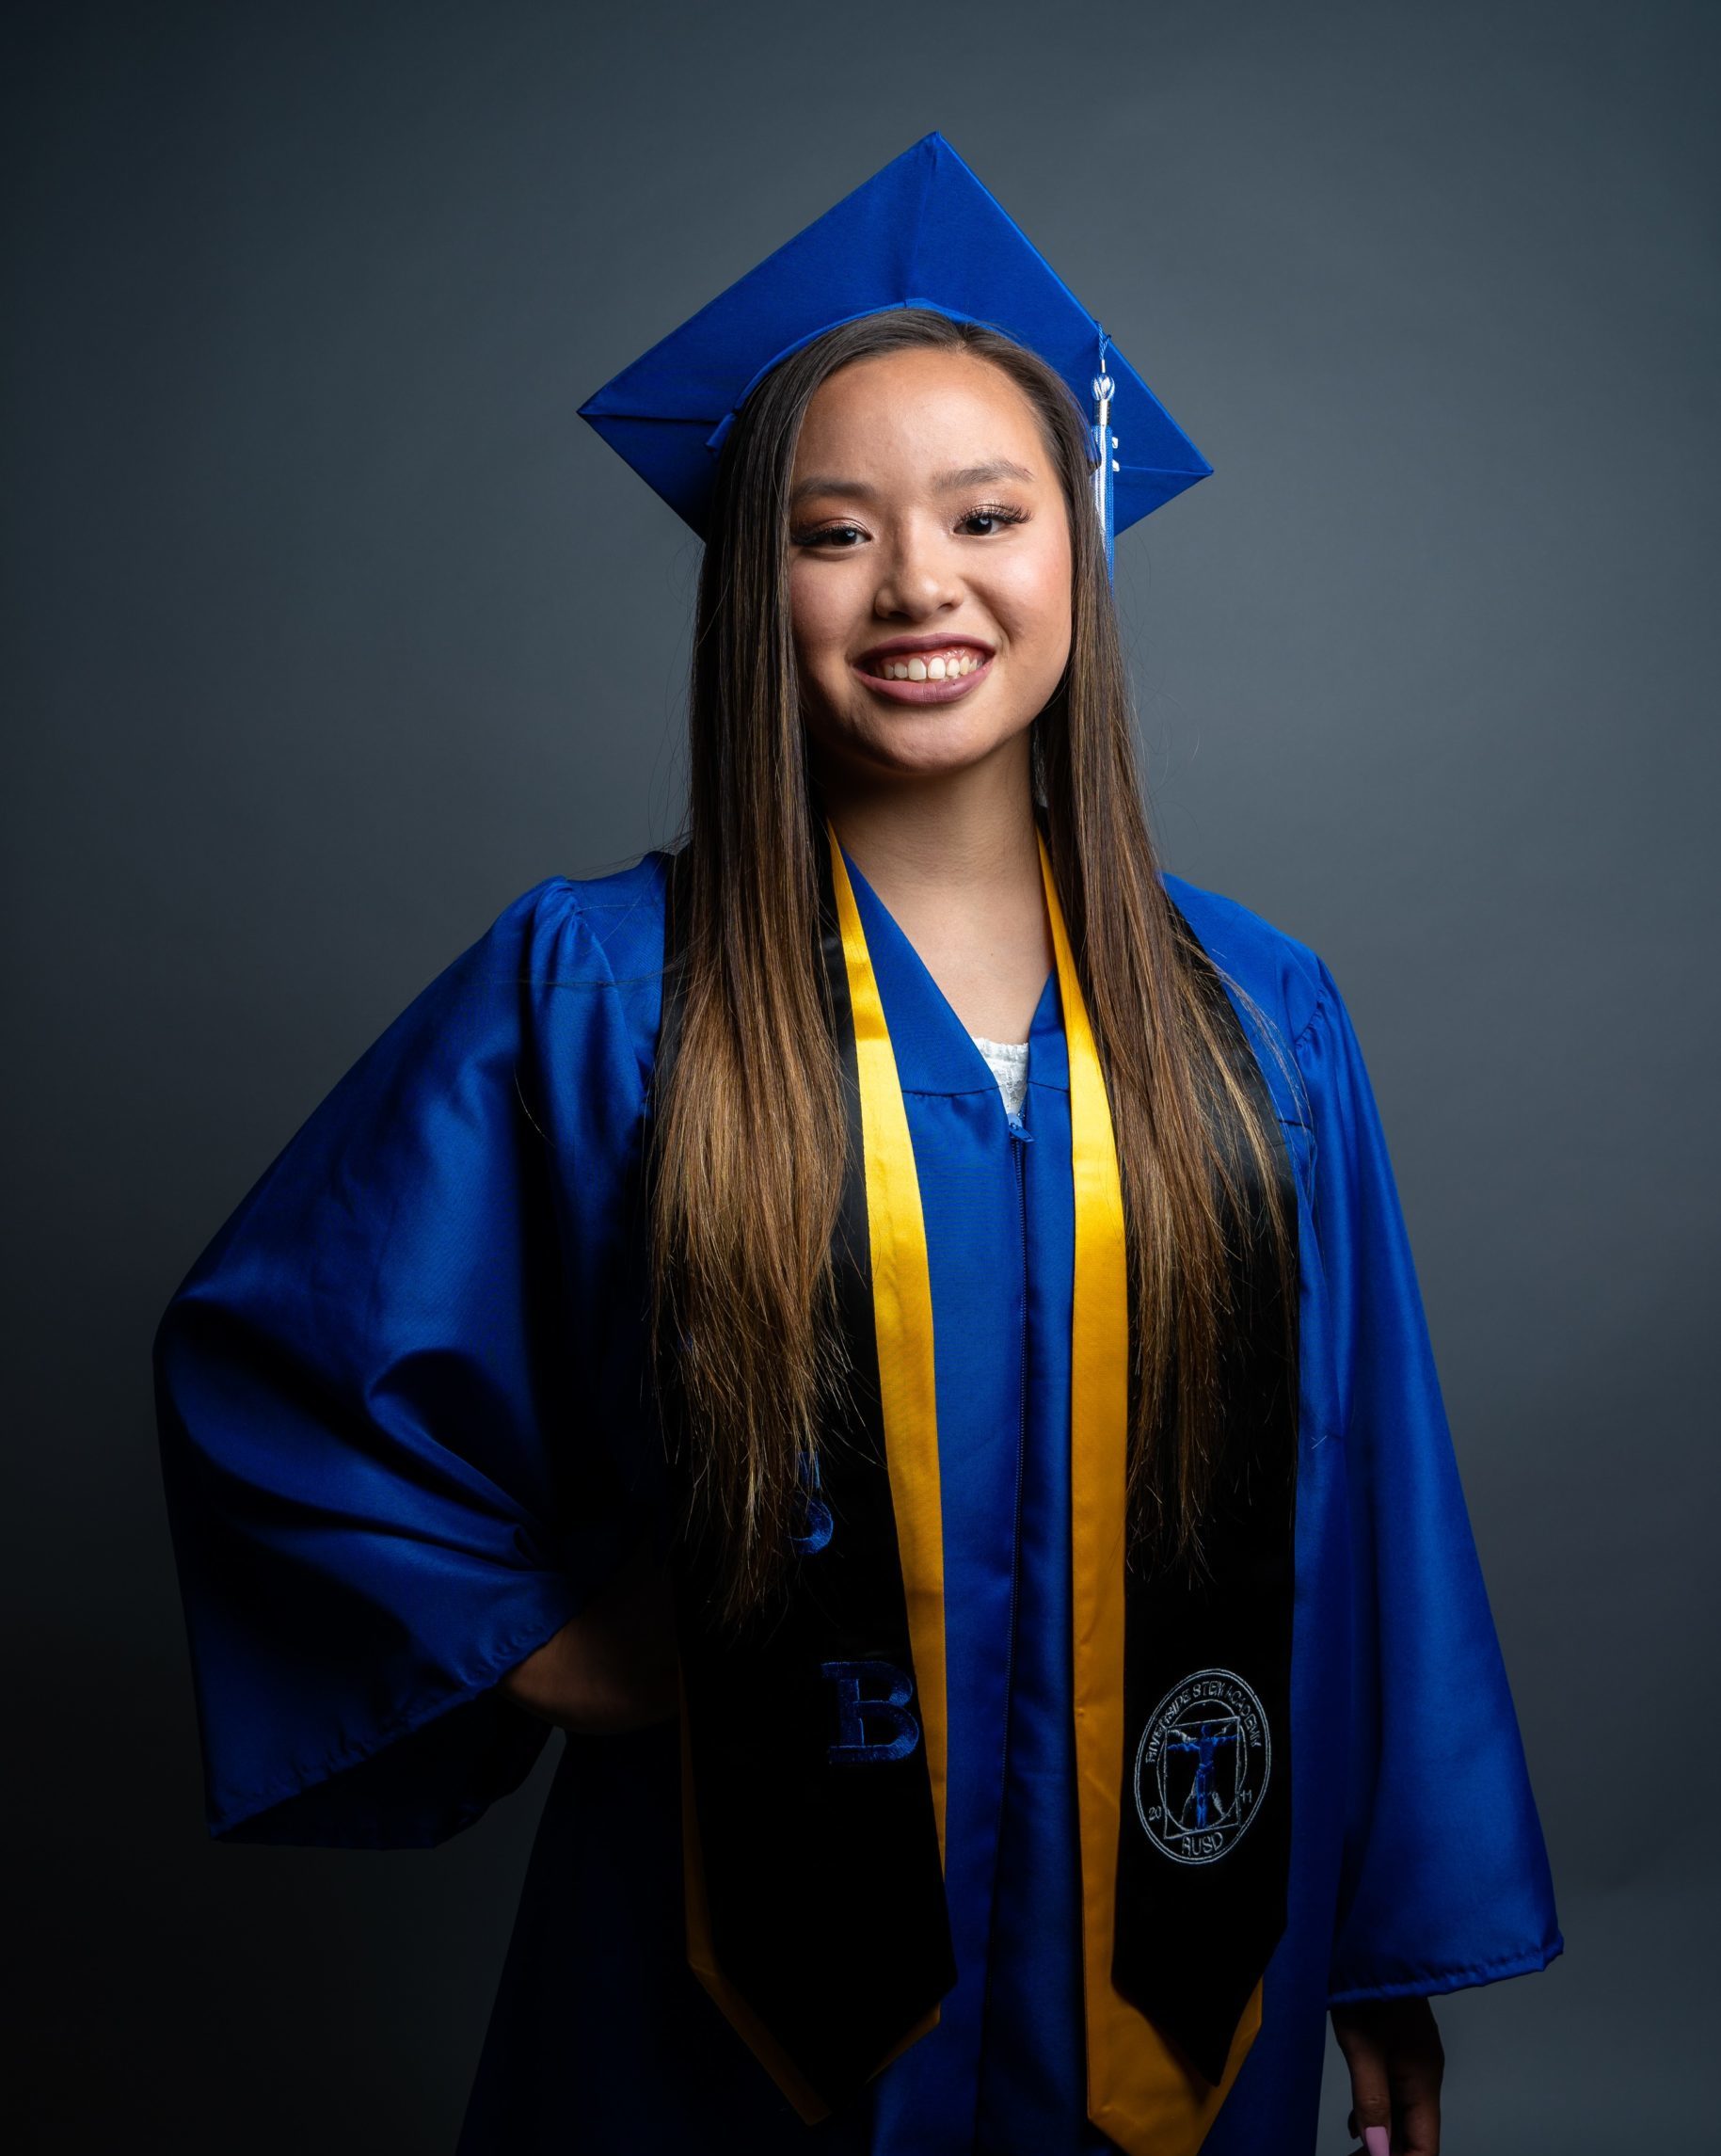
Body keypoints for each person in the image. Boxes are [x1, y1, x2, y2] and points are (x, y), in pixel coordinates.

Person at [153, 135, 1561, 2156]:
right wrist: (548, 1648)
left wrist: (1384, 1946)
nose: (921, 584)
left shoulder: (1259, 1022)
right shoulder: (599, 996)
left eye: (988, 512)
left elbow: (1370, 1524)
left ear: (1080, 547)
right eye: (835, 532)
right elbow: (275, 1379)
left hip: (1178, 1967)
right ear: (757, 590)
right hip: (725, 2003)